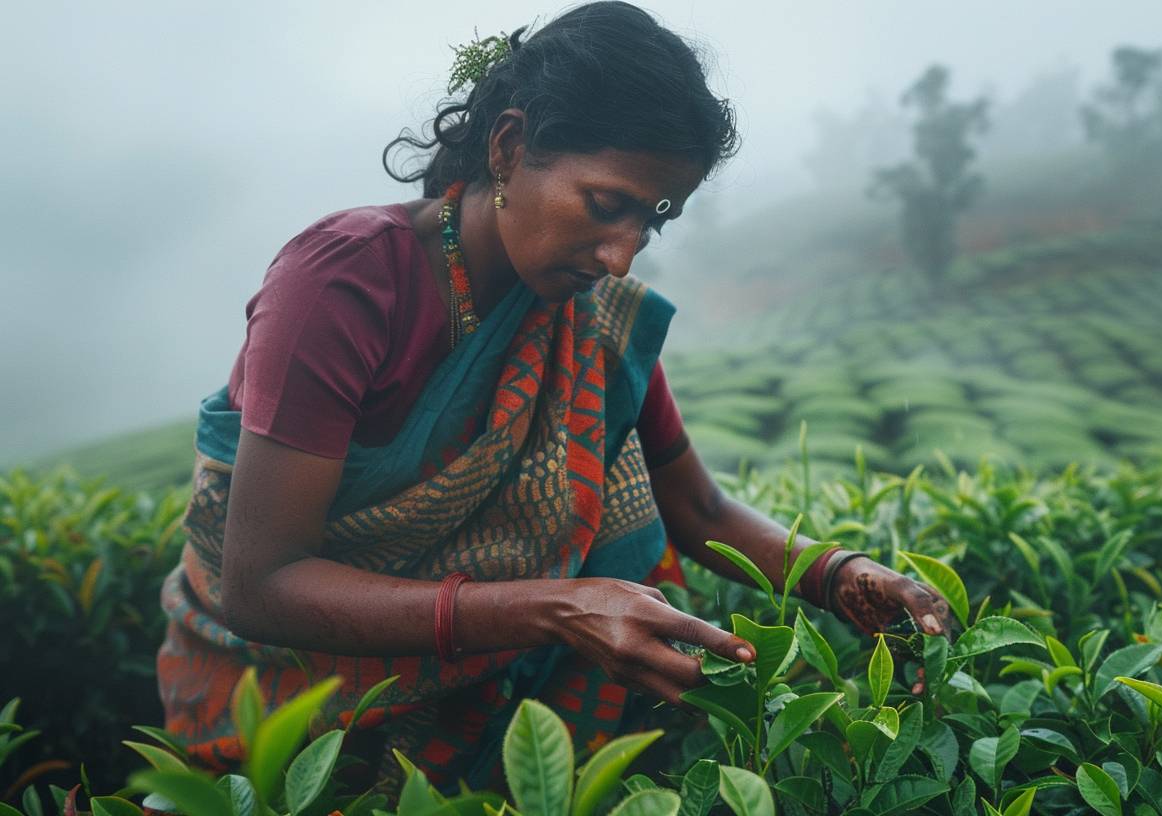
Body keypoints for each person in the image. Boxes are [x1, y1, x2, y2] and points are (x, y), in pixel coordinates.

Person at [155, 0, 952, 792]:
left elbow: (700, 511)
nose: (620, 257)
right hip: (300, 716)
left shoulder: (588, 318)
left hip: (510, 718)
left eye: (652, 222)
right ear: (508, 146)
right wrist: (555, 607)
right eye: (606, 206)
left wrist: (841, 574)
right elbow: (261, 583)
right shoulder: (344, 282)